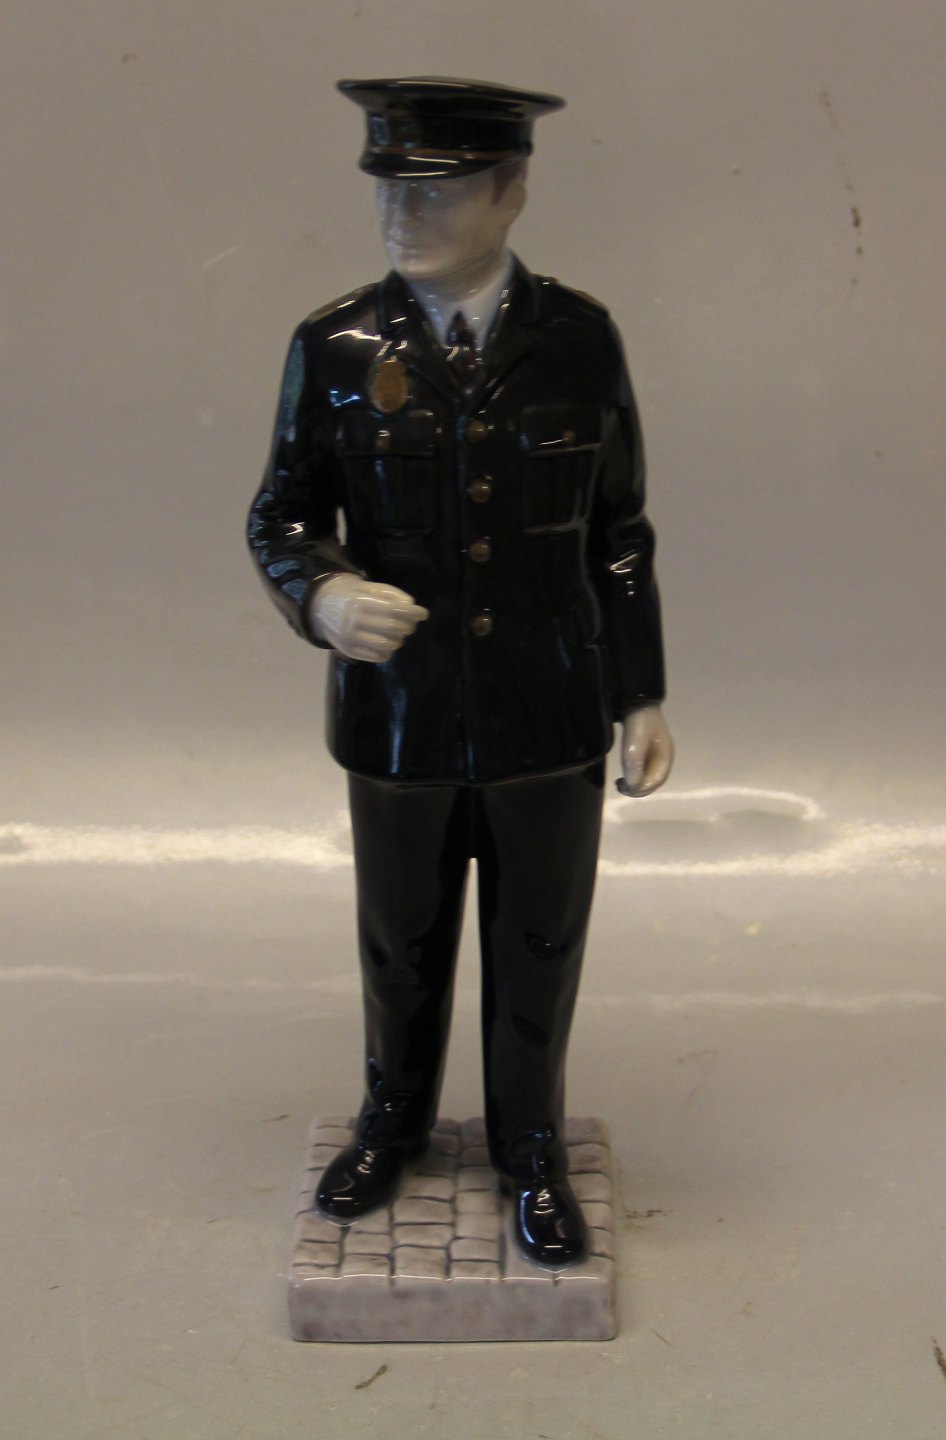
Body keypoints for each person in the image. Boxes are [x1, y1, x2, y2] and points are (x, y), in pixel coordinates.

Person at [247, 77, 673, 1266]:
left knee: (540, 942)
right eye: (388, 189)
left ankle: (528, 1146)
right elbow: (282, 516)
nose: (402, 215)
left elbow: (618, 532)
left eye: (435, 193)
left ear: (511, 192)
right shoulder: (335, 345)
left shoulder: (577, 339)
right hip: (401, 717)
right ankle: (392, 1121)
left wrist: (640, 692)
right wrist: (323, 594)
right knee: (401, 940)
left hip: (549, 706)